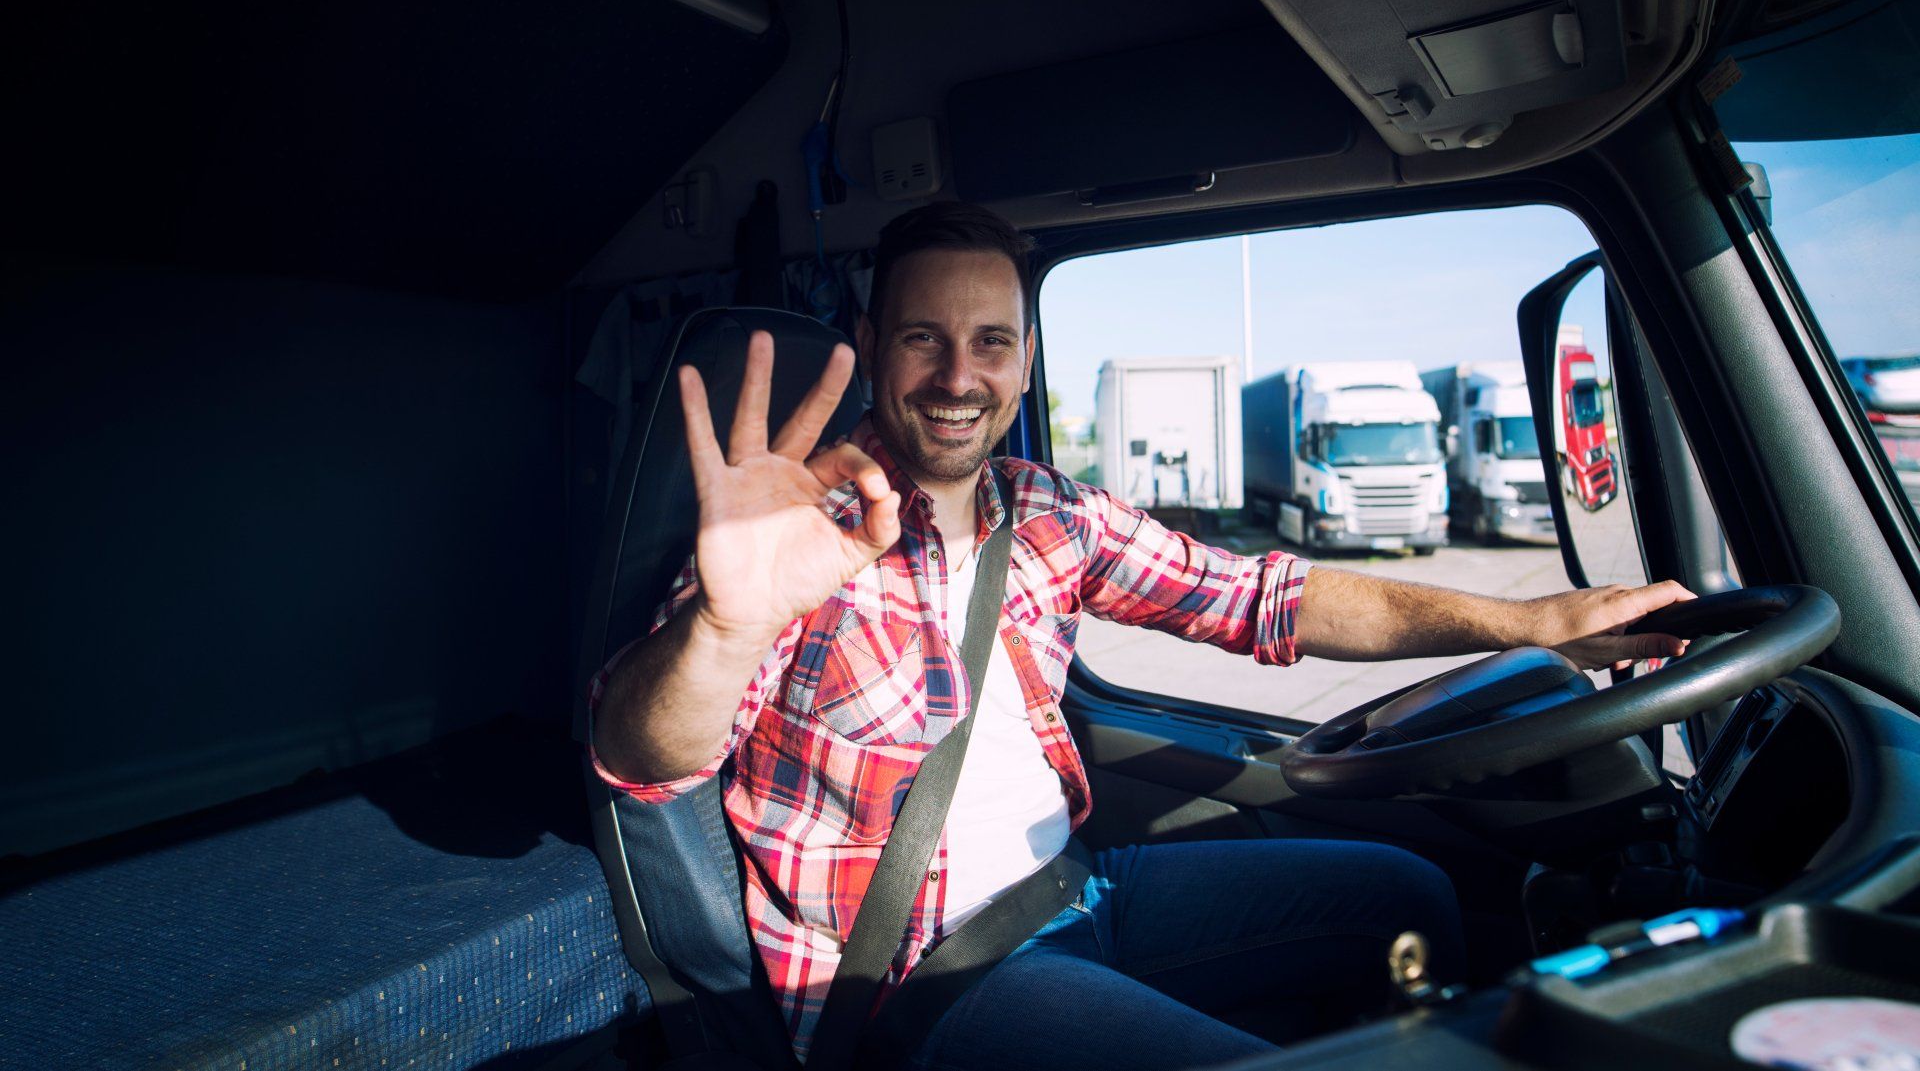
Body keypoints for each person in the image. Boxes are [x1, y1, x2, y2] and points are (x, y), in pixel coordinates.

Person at [590, 202, 1692, 1069]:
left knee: (1414, 895)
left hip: (1079, 892)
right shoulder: (798, 535)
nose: (959, 376)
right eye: (924, 337)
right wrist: (725, 625)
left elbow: (1272, 599)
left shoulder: (1052, 513)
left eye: (990, 342)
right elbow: (644, 761)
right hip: (917, 981)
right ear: (874, 343)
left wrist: (1536, 621)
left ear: (1025, 359)